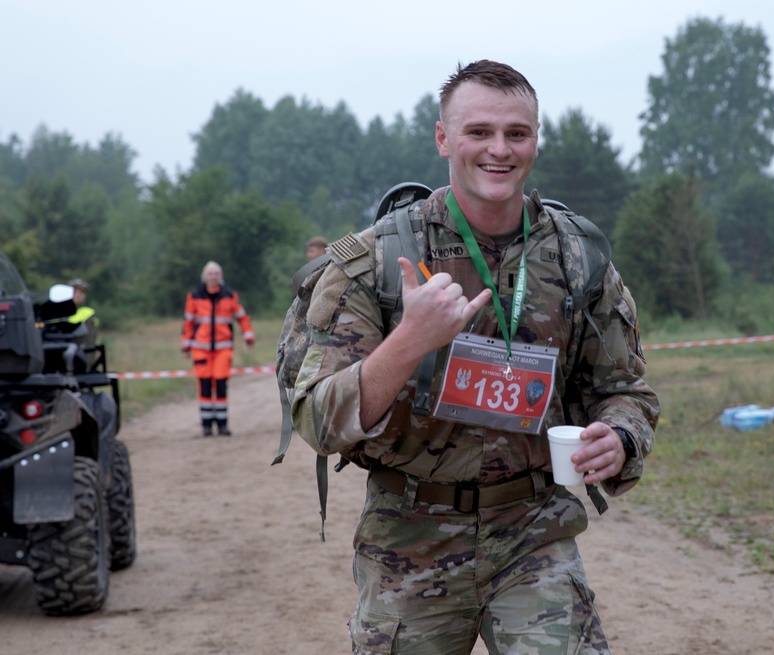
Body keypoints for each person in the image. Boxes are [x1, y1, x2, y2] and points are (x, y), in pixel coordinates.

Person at [291, 60, 659, 654]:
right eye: (478, 132)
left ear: (536, 139)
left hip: (533, 529)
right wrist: (411, 337)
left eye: (518, 133)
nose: (500, 150)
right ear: (443, 139)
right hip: (409, 539)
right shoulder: (378, 260)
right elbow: (317, 420)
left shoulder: (577, 258)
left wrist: (618, 435)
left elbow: (625, 389)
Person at [181, 261, 255, 437]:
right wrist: (186, 344)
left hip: (223, 349)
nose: (213, 276)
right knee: (205, 386)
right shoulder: (194, 296)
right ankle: (206, 426)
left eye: (216, 273)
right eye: (210, 273)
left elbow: (242, 317)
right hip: (201, 349)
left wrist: (248, 335)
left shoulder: (229, 295)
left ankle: (222, 425)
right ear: (204, 276)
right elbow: (188, 323)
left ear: (220, 276)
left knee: (221, 385)